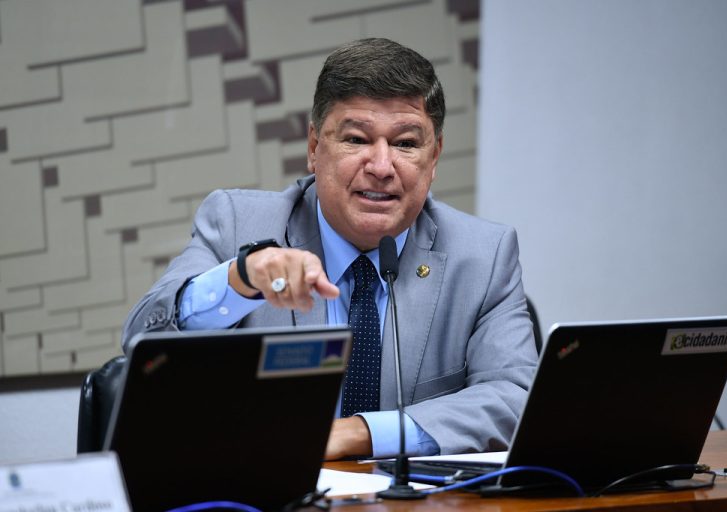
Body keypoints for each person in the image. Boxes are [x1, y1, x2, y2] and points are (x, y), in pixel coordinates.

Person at [122, 37, 538, 460]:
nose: (381, 167)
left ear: (434, 158)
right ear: (314, 147)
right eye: (356, 139)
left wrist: (359, 433)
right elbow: (143, 341)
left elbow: (516, 397)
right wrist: (239, 280)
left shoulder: (483, 256)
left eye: (405, 144)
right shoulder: (237, 224)